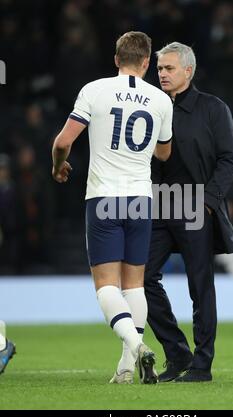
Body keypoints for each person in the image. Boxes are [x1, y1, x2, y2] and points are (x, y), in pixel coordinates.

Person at [51, 31, 173, 384]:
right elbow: (164, 152)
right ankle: (125, 366)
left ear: (116, 59)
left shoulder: (94, 90)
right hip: (139, 198)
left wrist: (58, 166)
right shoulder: (160, 100)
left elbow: (63, 142)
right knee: (134, 285)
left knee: (106, 285)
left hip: (104, 197)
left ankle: (137, 347)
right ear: (147, 62)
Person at [144, 42, 233, 382]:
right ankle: (177, 352)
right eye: (159, 69)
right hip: (158, 204)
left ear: (188, 71)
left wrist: (209, 201)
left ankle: (202, 365)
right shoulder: (151, 107)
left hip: (195, 205)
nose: (163, 74)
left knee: (200, 285)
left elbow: (230, 159)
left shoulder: (213, 108)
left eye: (169, 68)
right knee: (141, 279)